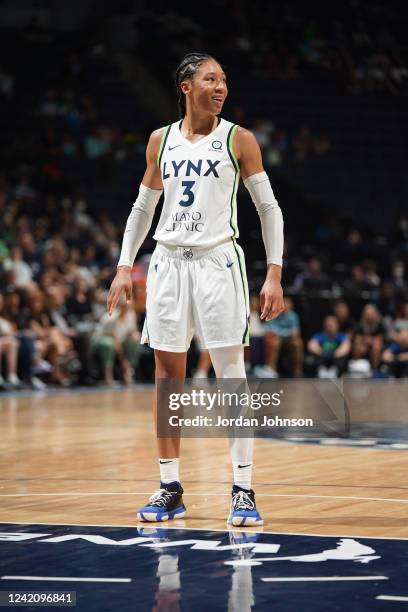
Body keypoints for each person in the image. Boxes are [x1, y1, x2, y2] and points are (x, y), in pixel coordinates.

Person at [107, 52, 284, 526]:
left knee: (231, 376)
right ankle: (169, 487)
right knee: (168, 381)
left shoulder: (238, 139)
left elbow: (269, 209)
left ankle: (243, 488)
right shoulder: (159, 140)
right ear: (186, 86)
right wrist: (126, 265)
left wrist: (274, 272)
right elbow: (142, 209)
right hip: (167, 263)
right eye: (210, 78)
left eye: (224, 79)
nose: (220, 86)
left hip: (218, 261)